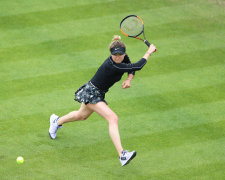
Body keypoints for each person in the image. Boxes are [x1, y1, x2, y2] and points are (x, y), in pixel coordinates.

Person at [49, 35, 156, 166]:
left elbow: (131, 68)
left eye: (120, 55)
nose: (117, 57)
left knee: (81, 116)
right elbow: (138, 66)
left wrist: (128, 79)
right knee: (112, 118)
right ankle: (122, 154)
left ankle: (56, 121)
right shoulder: (113, 65)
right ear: (111, 54)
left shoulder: (123, 59)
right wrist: (149, 52)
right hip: (92, 93)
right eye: (114, 55)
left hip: (97, 92)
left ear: (124, 53)